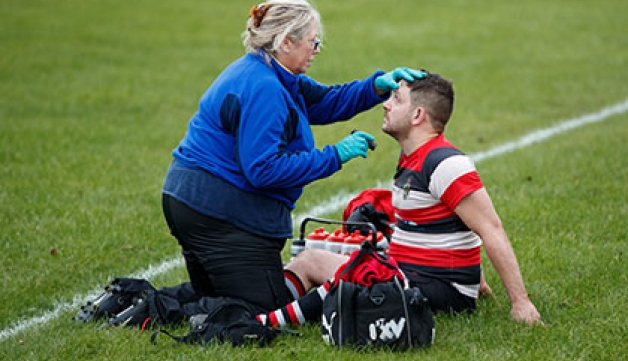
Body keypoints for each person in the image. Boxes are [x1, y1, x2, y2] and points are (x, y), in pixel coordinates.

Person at [161, 0, 426, 315]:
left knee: (222, 295)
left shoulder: (271, 71)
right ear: (285, 41)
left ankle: (141, 303)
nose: (316, 49)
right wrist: (334, 155)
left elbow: (324, 101)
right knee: (267, 310)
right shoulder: (265, 87)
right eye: (313, 42)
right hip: (218, 212)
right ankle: (143, 303)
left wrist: (375, 87)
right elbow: (262, 170)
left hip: (195, 202)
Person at [258, 72, 543, 327]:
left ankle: (263, 324)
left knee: (340, 272)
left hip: (435, 288)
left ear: (417, 115)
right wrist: (480, 283)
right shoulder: (413, 158)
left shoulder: (445, 163)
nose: (386, 104)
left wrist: (521, 302)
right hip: (412, 274)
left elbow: (489, 228)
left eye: (396, 99)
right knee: (314, 260)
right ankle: (262, 304)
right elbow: (455, 225)